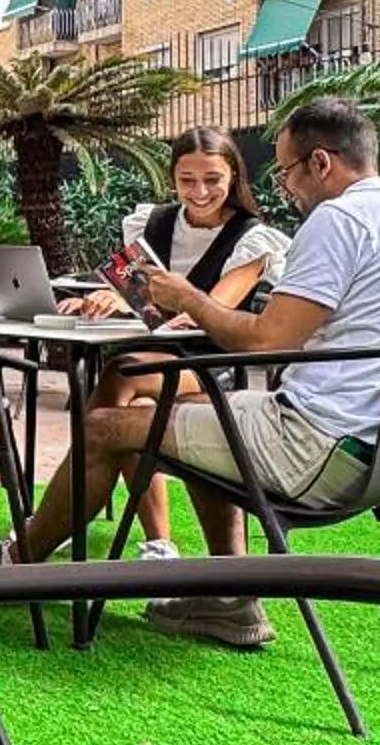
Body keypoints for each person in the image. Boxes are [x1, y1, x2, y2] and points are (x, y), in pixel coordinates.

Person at [0, 93, 380, 653]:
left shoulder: (339, 218)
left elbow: (269, 342)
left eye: (288, 169)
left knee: (103, 428)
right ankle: (228, 596)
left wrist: (188, 297)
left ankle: (12, 565)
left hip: (316, 449)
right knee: (186, 413)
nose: (285, 185)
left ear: (321, 164)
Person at [47, 127, 290, 564]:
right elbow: (138, 299)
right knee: (123, 404)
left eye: (213, 179)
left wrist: (161, 302)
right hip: (150, 357)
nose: (199, 191)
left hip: (210, 367)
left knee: (120, 374)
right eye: (187, 180)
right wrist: (108, 299)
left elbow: (211, 313)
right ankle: (157, 542)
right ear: (173, 178)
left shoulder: (252, 238)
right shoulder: (152, 224)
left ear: (233, 177)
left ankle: (57, 522)